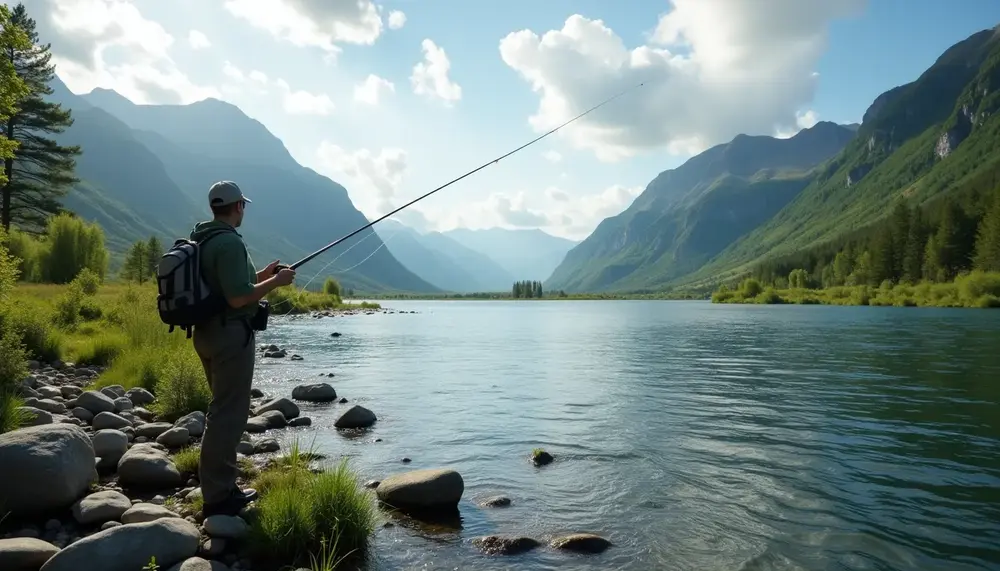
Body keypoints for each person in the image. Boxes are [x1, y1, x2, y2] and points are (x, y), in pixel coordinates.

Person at [190, 180, 296, 517]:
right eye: (243, 205)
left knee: (220, 411)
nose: (243, 210)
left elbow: (229, 284)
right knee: (228, 416)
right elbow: (238, 298)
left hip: (205, 333)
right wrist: (276, 283)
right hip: (230, 336)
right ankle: (219, 497)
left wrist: (262, 274)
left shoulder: (203, 238)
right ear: (238, 206)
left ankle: (220, 486)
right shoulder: (229, 242)